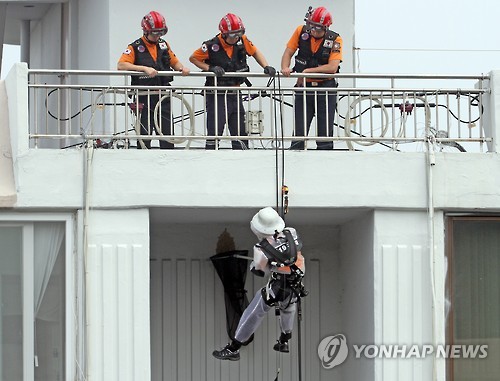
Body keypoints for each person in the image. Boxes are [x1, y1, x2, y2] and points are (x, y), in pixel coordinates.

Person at [212, 207, 307, 361]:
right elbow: (295, 253)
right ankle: (284, 341)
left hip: (277, 286)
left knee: (253, 313)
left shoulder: (261, 249)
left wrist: (260, 265)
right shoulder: (292, 232)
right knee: (288, 309)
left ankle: (234, 348)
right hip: (296, 283)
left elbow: (260, 270)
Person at [189, 13, 276, 150]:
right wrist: (210, 68)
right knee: (215, 128)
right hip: (217, 94)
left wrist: (266, 66)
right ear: (223, 34)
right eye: (232, 35)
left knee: (239, 129)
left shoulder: (243, 40)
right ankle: (211, 154)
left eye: (238, 34)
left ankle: (241, 152)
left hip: (235, 92)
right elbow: (193, 58)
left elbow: (255, 52)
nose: (236, 38)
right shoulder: (211, 45)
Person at [117, 10, 190, 149]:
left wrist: (182, 68)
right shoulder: (135, 47)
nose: (157, 36)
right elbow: (121, 65)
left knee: (167, 135)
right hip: (144, 96)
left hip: (163, 96)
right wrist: (144, 68)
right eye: (155, 33)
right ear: (146, 31)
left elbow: (174, 61)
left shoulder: (164, 45)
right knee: (144, 135)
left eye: (160, 33)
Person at [281, 6, 343, 150]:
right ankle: (295, 160)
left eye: (318, 29)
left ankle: (324, 160)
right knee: (299, 131)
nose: (314, 31)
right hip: (304, 89)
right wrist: (285, 67)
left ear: (326, 28)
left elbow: (332, 67)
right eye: (311, 27)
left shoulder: (335, 39)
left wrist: (307, 72)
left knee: (325, 131)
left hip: (325, 89)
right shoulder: (300, 31)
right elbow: (288, 52)